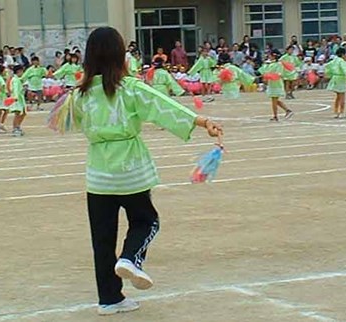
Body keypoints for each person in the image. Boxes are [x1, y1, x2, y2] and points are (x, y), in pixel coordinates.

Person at [51, 27, 223, 316]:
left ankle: (109, 299)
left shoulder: (79, 95)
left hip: (99, 172)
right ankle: (131, 258)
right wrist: (201, 121)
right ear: (120, 54)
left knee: (102, 238)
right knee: (146, 220)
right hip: (130, 166)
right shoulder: (130, 87)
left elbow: (63, 121)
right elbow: (163, 107)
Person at [257, 53, 293, 121]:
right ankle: (284, 112)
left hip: (277, 84)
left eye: (270, 55)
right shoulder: (270, 64)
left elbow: (278, 74)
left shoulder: (279, 64)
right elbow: (264, 72)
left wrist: (268, 75)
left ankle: (279, 114)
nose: (268, 56)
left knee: (274, 100)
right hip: (271, 84)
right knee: (274, 100)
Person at [325, 48, 346, 119]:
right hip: (341, 79)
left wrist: (329, 75)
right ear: (342, 54)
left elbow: (327, 66)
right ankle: (341, 112)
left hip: (335, 78)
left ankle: (336, 112)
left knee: (338, 97)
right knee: (342, 96)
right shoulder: (341, 61)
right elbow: (345, 70)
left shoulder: (334, 60)